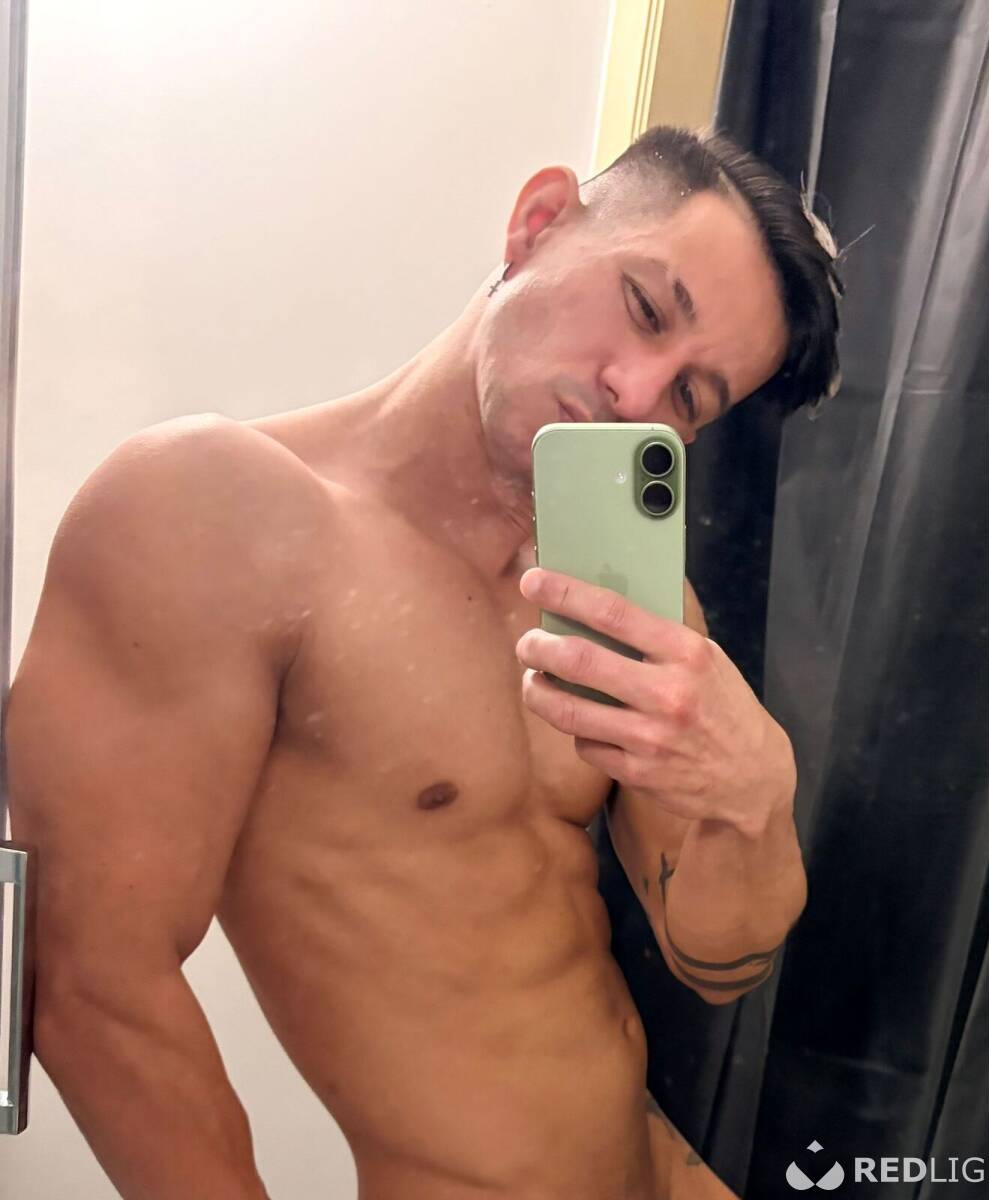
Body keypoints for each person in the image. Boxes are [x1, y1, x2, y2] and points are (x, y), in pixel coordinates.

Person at [6, 125, 842, 1200]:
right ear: (538, 222)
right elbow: (90, 977)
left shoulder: (616, 598)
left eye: (690, 398)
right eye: (644, 308)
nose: (636, 393)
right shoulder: (216, 513)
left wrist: (754, 797)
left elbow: (716, 961)